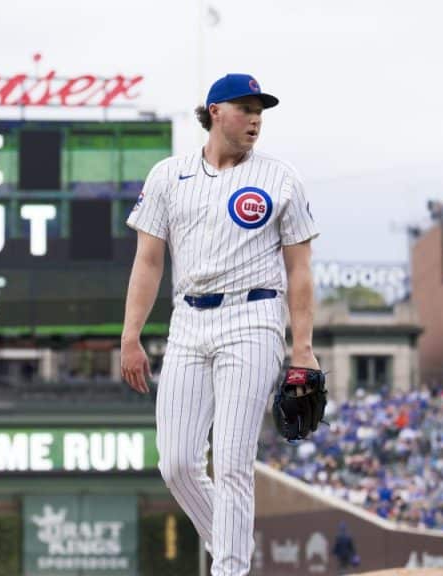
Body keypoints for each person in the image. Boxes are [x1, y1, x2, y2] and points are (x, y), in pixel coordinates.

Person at [121, 73, 319, 576]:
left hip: (253, 316)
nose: (256, 117)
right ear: (215, 111)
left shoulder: (281, 178)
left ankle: (230, 569)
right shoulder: (168, 175)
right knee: (178, 464)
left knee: (232, 461)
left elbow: (299, 269)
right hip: (188, 319)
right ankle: (235, 551)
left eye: (260, 109)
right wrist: (131, 336)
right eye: (245, 107)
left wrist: (304, 348)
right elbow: (148, 261)